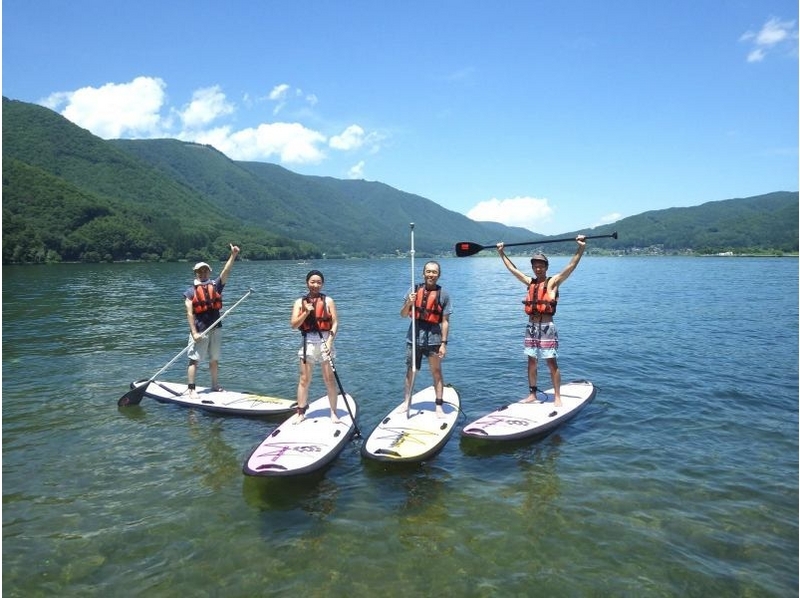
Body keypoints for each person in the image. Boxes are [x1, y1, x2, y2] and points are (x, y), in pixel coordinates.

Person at [496, 236, 586, 407]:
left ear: (546, 267)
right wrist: (501, 253)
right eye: (535, 266)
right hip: (531, 327)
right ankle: (532, 394)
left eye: (541, 265)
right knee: (531, 361)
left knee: (551, 362)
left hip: (546, 327)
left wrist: (581, 247)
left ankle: (557, 396)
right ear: (533, 267)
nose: (538, 268)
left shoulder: (553, 282)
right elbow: (513, 270)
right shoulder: (530, 282)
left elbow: (571, 266)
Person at [184, 244, 240, 398]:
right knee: (194, 360)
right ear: (196, 273)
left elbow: (226, 271)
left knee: (214, 359)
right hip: (200, 330)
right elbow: (189, 313)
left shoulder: (215, 286)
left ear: (209, 272)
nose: (203, 273)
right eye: (200, 271)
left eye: (205, 271)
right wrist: (194, 333)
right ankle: (191, 389)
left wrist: (233, 255)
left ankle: (215, 385)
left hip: (216, 328)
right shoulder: (190, 292)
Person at [400, 261, 452, 417]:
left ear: (439, 275)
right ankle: (406, 402)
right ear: (423, 274)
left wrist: (443, 344)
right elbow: (403, 314)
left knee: (436, 371)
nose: (431, 275)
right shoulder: (413, 290)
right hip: (413, 337)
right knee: (411, 371)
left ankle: (439, 405)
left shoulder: (443, 294)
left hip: (434, 338)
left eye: (434, 272)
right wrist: (409, 303)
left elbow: (445, 321)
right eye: (428, 271)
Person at [290, 269, 341, 423]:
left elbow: (335, 323)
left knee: (329, 379)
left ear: (322, 284)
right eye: (312, 282)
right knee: (304, 379)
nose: (315, 285)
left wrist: (330, 341)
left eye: (319, 282)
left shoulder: (328, 301)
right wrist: (306, 312)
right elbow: (294, 325)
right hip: (308, 341)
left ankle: (333, 412)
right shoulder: (299, 302)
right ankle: (301, 412)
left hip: (325, 339)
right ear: (307, 283)